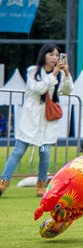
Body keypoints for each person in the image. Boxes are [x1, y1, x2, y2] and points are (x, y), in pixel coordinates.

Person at [0, 43, 74, 198]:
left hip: (48, 119)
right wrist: (54, 73)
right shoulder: (32, 71)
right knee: (18, 151)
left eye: (57, 55)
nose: (54, 58)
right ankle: (3, 182)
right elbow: (39, 88)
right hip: (31, 118)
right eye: (51, 54)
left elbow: (66, 91)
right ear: (44, 55)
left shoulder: (60, 74)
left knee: (45, 153)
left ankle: (41, 183)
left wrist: (66, 74)